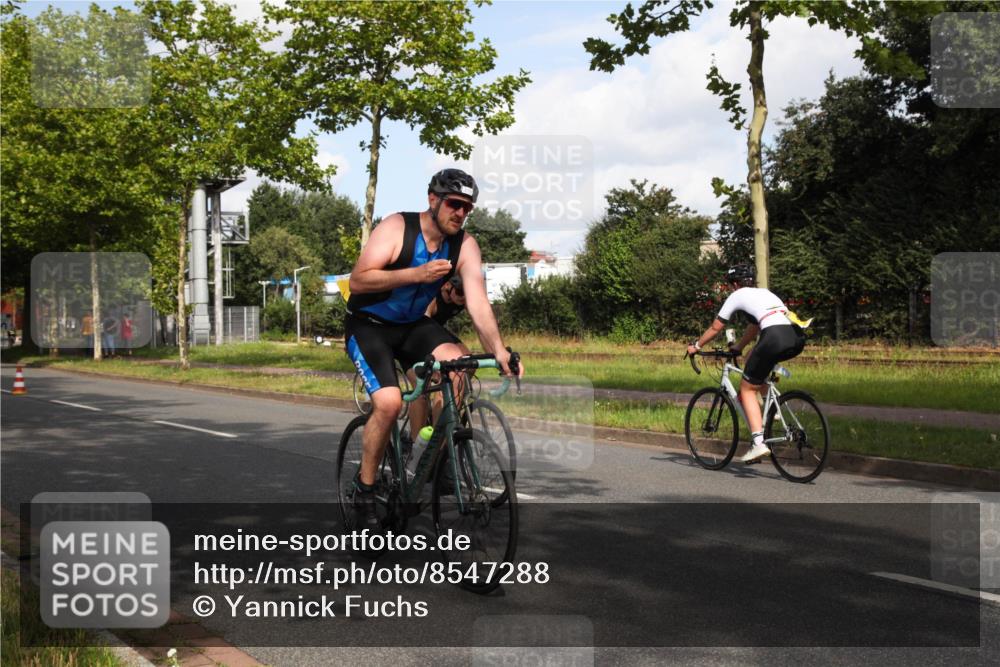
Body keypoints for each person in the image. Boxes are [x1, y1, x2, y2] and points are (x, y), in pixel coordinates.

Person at [344, 168, 522, 533]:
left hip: (412, 326)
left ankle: (431, 459)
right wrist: (416, 274)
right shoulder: (397, 228)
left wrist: (500, 351)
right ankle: (364, 491)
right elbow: (358, 279)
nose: (461, 213)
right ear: (433, 200)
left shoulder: (465, 246)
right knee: (390, 403)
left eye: (467, 208)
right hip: (369, 325)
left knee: (459, 368)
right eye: (455, 204)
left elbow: (478, 304)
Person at [687, 266, 809, 463]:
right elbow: (754, 326)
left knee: (746, 389)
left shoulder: (737, 295)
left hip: (774, 336)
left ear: (734, 284)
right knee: (754, 358)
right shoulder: (765, 293)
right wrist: (739, 347)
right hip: (795, 336)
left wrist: (697, 345)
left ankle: (758, 443)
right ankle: (773, 411)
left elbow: (716, 327)